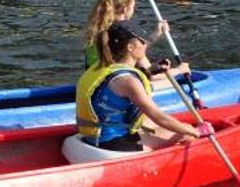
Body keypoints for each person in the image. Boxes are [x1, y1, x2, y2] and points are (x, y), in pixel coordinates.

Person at [71, 22, 205, 154]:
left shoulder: (100, 67)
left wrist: (151, 71)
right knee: (186, 132)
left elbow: (126, 88)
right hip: (112, 143)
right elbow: (159, 117)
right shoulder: (129, 81)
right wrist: (196, 131)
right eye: (142, 41)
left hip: (93, 137)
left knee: (152, 123)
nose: (145, 45)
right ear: (130, 47)